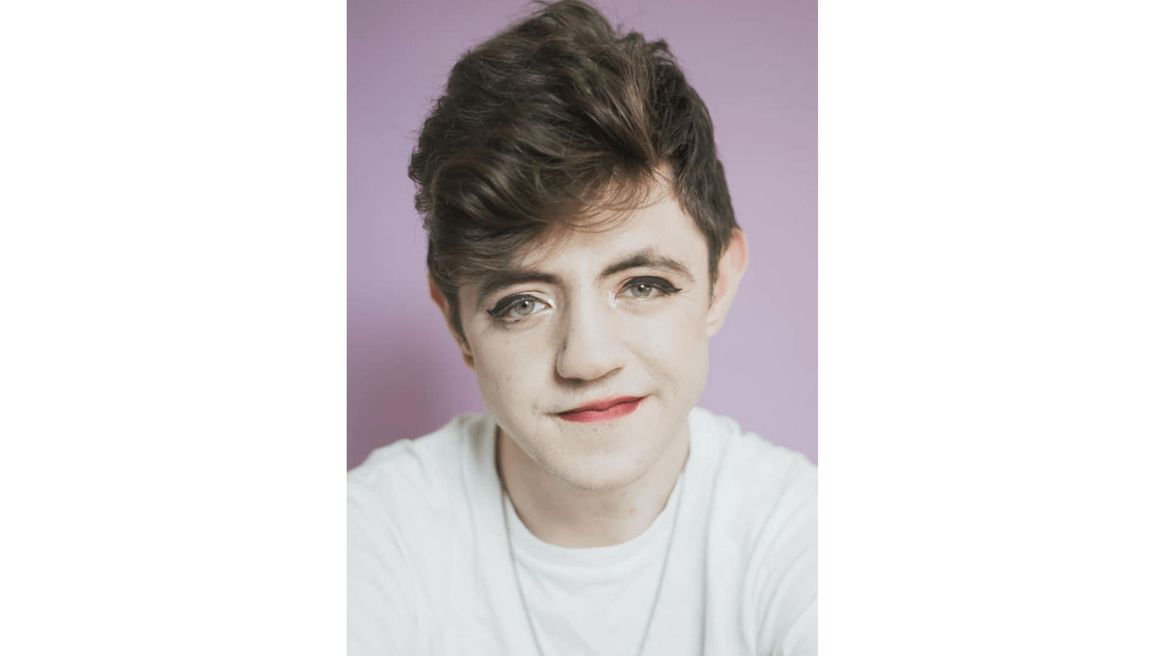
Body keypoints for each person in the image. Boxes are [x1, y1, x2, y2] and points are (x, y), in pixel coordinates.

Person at [347, 1, 816, 654]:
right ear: (455, 322)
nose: (587, 358)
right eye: (522, 302)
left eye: (643, 284)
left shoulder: (801, 535)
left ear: (720, 279)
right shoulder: (372, 534)